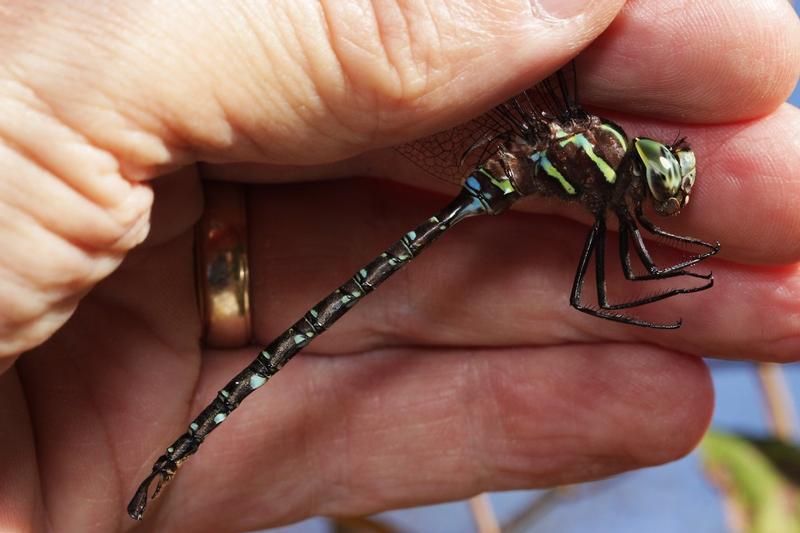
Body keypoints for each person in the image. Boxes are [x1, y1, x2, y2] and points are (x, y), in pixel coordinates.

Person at [1, 0, 799, 531]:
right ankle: (180, 445)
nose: (664, 177)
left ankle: (172, 453)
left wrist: (681, 269)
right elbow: (605, 290)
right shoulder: (606, 179)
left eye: (665, 174)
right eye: (664, 172)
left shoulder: (595, 158)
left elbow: (605, 287)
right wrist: (683, 268)